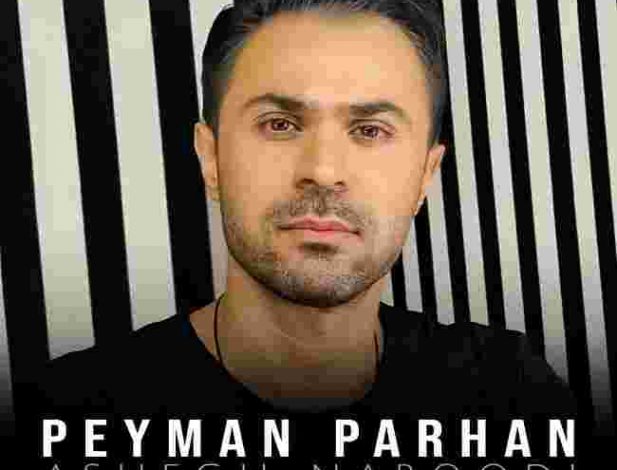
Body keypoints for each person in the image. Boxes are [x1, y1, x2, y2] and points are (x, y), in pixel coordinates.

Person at [20, 0, 583, 465]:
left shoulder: (511, 395)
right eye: (280, 124)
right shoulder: (71, 417)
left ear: (425, 176)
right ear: (211, 160)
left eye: (370, 130)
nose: (324, 169)